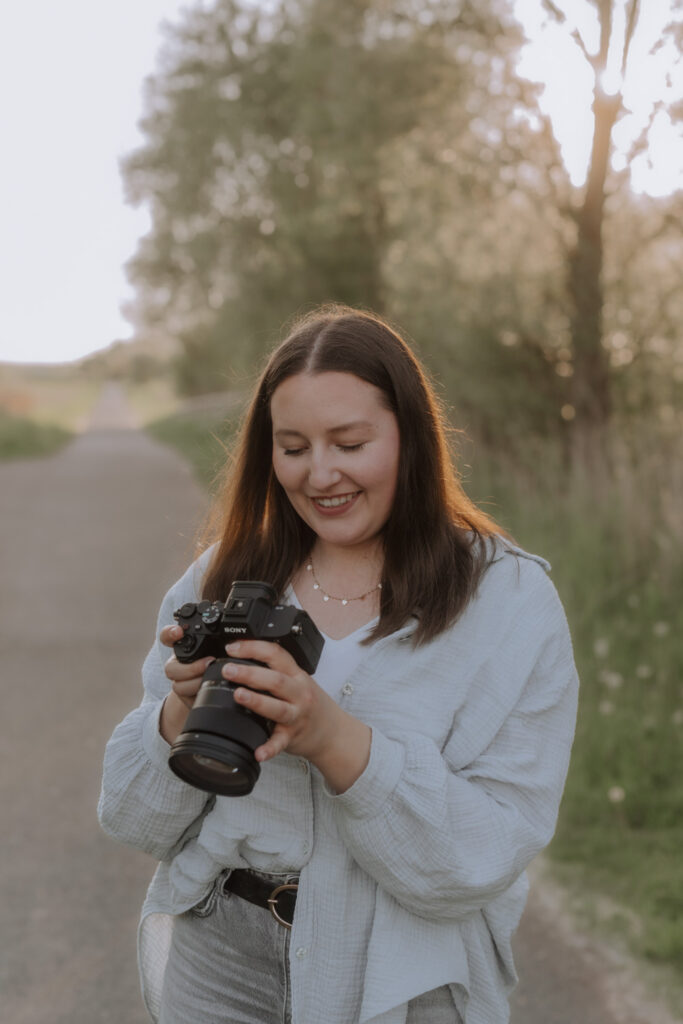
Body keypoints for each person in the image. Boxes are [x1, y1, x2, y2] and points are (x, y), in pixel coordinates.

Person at [98, 304, 579, 1024]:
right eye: (292, 447)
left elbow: (487, 852)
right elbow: (134, 820)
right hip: (220, 956)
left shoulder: (508, 602)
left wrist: (330, 738)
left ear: (410, 438)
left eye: (349, 443)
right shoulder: (224, 577)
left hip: (400, 970)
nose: (320, 474)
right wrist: (174, 717)